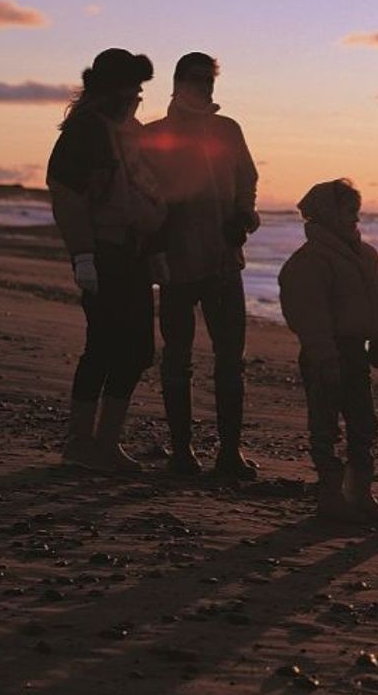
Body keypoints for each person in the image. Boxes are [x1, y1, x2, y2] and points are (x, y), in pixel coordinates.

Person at [141, 52, 261, 480]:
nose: (204, 88)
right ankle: (182, 453)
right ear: (177, 82)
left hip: (224, 263)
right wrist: (154, 246)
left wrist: (244, 216)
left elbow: (247, 178)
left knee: (231, 360)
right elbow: (145, 196)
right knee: (177, 358)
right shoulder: (154, 135)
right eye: (196, 80)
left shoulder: (227, 130)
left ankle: (230, 453)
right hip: (175, 266)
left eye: (209, 80)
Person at [46, 48, 166, 473]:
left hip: (132, 254)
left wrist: (155, 250)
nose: (137, 95)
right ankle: (82, 443)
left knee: (135, 351)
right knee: (103, 347)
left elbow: (145, 193)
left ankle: (106, 442)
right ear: (109, 89)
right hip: (103, 253)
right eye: (132, 88)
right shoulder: (84, 133)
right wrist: (83, 257)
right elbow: (69, 200)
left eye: (139, 89)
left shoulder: (131, 132)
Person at [277, 179, 378, 522]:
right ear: (327, 214)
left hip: (355, 352)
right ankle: (330, 496)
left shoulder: (366, 255)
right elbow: (309, 316)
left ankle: (360, 494)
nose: (355, 220)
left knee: (364, 423)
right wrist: (325, 357)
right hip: (324, 353)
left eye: (356, 212)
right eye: (349, 212)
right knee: (325, 426)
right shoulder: (309, 261)